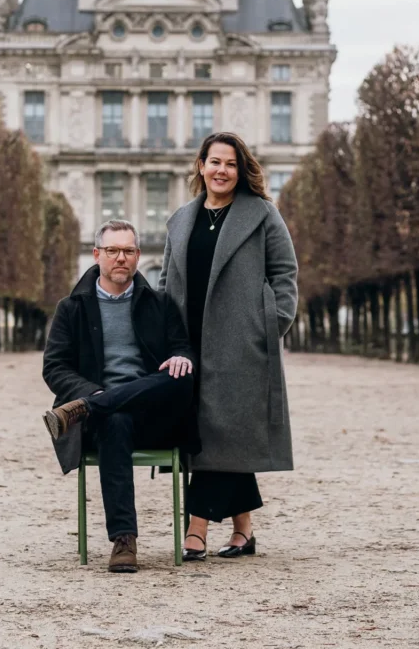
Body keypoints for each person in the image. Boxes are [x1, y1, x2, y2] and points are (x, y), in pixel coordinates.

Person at [160, 131, 298, 561]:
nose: (222, 170)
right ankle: (244, 529)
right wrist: (166, 336)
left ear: (242, 171)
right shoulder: (181, 218)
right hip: (189, 343)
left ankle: (195, 528)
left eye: (231, 164)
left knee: (217, 432)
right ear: (201, 165)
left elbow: (285, 276)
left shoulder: (262, 214)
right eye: (215, 162)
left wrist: (266, 326)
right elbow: (166, 282)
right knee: (213, 434)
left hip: (241, 345)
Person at [42, 219, 196, 574]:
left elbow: (183, 349)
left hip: (153, 415)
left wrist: (181, 357)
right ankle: (124, 539)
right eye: (112, 250)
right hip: (106, 422)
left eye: (128, 251)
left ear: (138, 256)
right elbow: (54, 368)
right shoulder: (71, 308)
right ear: (97, 255)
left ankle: (87, 407)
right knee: (115, 419)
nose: (120, 258)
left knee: (182, 375)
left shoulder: (160, 304)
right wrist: (91, 391)